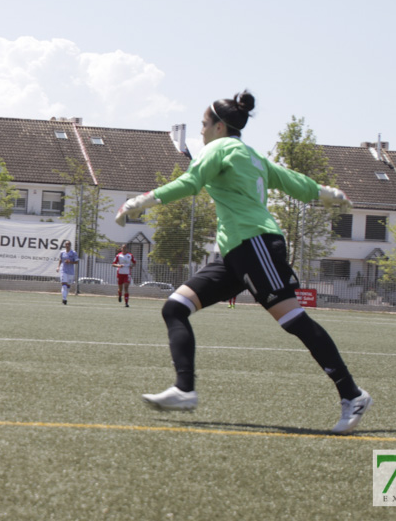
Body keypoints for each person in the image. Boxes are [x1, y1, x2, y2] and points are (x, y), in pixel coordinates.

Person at [116, 90, 370, 434]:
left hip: (255, 244)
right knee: (175, 307)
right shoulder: (250, 155)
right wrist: (327, 194)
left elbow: (191, 182)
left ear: (220, 126)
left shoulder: (218, 149)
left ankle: (352, 394)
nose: (201, 131)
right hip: (236, 253)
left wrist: (139, 202)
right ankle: (185, 389)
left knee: (294, 320)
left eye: (204, 124)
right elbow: (292, 181)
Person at [57, 239, 78, 305]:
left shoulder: (73, 253)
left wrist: (70, 262)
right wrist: (58, 267)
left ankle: (65, 296)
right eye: (66, 244)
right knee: (64, 285)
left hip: (70, 272)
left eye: (68, 244)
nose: (67, 245)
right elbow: (60, 259)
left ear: (70, 245)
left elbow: (76, 262)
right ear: (64, 245)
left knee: (68, 287)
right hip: (63, 270)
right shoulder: (62, 252)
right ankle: (64, 299)